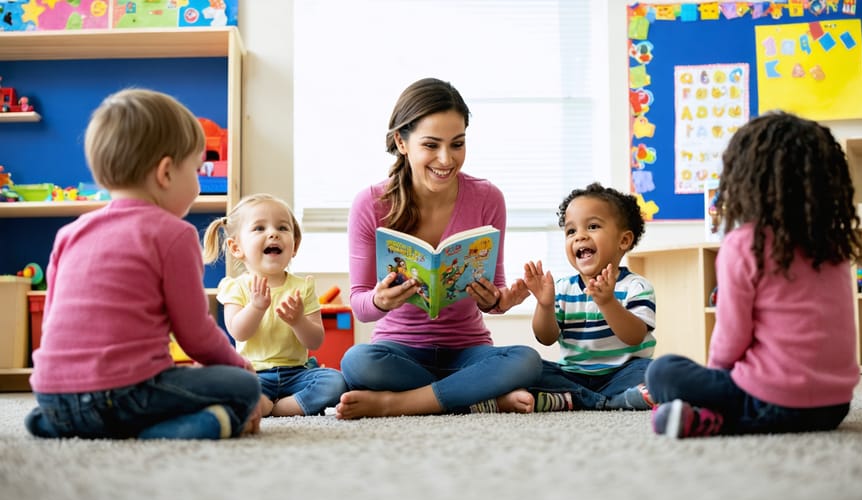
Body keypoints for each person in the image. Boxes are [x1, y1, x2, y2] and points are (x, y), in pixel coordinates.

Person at [25, 88, 262, 440]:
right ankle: (178, 428)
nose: (198, 184)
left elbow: (51, 319)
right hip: (126, 393)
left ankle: (60, 423)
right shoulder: (175, 234)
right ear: (166, 173)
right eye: (196, 170)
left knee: (74, 408)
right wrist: (239, 364)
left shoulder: (70, 233)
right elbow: (195, 335)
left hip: (52, 393)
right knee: (242, 386)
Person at [645, 111, 862, 438]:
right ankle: (718, 418)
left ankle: (717, 418)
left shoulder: (745, 244)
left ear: (746, 179)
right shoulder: (832, 245)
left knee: (662, 371)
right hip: (834, 406)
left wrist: (717, 382)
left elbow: (731, 337)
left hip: (771, 398)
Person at [336, 77, 543, 419]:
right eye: (431, 145)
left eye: (457, 144)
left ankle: (399, 403)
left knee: (526, 361)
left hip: (467, 349)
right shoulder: (371, 204)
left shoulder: (487, 198)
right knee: (356, 362)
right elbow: (359, 304)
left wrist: (495, 299)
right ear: (402, 142)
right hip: (398, 350)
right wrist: (379, 300)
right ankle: (477, 395)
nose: (446, 159)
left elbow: (495, 297)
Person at [203, 193, 348, 417]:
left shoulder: (303, 286)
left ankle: (282, 408)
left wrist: (299, 321)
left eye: (282, 228)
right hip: (254, 373)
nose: (273, 233)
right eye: (259, 228)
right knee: (229, 385)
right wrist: (256, 307)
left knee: (335, 382)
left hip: (298, 373)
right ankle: (264, 402)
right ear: (236, 247)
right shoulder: (235, 287)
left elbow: (315, 341)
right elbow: (239, 332)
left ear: (295, 246)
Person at [522, 182, 657, 412]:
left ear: (623, 240)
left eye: (592, 226)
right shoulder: (563, 289)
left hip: (622, 373)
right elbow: (545, 337)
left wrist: (607, 302)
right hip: (573, 374)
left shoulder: (637, 286)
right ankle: (609, 400)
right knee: (527, 366)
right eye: (571, 231)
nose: (579, 236)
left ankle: (572, 400)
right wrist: (544, 305)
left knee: (656, 371)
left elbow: (634, 336)